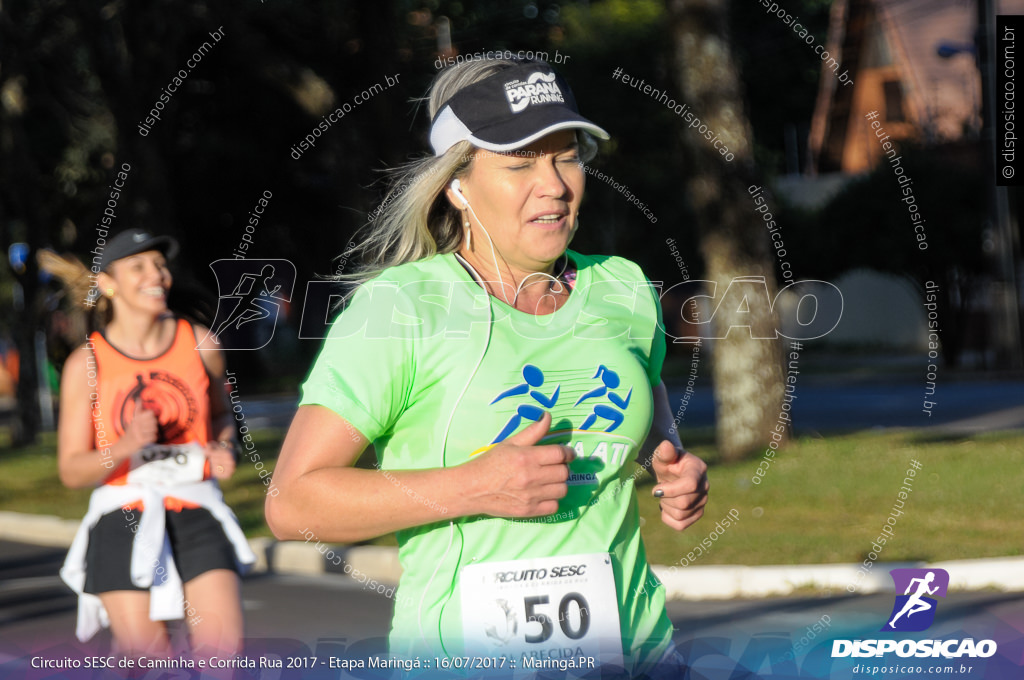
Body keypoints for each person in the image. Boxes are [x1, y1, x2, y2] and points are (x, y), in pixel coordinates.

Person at [267, 58, 708, 675]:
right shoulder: (402, 308)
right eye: (520, 162)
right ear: (458, 184)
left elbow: (644, 393)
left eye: (567, 156)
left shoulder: (623, 287)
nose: (554, 184)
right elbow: (293, 504)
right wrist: (476, 486)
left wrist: (670, 458)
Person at [42, 229, 255, 658]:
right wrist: (125, 445)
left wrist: (225, 446)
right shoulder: (87, 363)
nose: (156, 274)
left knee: (223, 656)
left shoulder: (200, 342)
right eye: (138, 266)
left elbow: (219, 415)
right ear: (108, 284)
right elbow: (71, 470)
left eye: (159, 264)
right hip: (122, 515)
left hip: (195, 507)